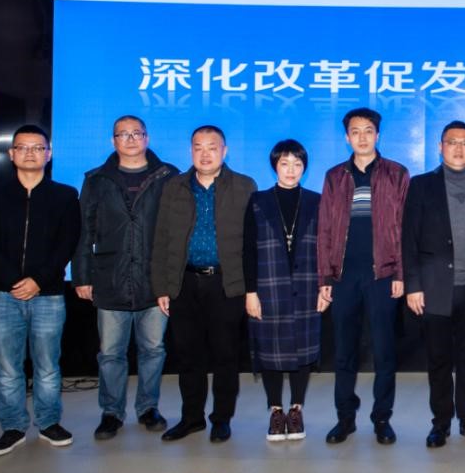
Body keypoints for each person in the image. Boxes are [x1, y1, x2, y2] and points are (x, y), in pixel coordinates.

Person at [0, 124, 80, 457]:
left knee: (47, 366)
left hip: (48, 294)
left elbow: (67, 244)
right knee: (8, 369)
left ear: (49, 154)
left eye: (38, 148)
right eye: (23, 147)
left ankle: (49, 423)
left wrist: (38, 280)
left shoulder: (65, 196)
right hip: (2, 295)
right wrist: (13, 281)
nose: (30, 153)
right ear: (11, 154)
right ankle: (13, 427)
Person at [74, 115, 177, 441]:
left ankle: (148, 407)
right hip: (110, 279)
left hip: (154, 281)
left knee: (153, 350)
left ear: (147, 138)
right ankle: (111, 412)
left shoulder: (168, 176)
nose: (130, 139)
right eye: (123, 134)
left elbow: (177, 232)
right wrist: (81, 275)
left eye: (136, 133)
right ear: (113, 141)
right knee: (110, 354)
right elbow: (83, 231)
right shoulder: (97, 179)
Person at [152, 125, 256, 443]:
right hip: (184, 283)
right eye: (198, 147)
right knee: (188, 355)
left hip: (227, 283)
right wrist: (162, 287)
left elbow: (253, 242)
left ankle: (221, 419)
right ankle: (192, 418)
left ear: (224, 151)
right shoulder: (174, 186)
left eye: (212, 147)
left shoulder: (244, 186)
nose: (205, 153)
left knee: (225, 355)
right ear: (191, 151)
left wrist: (252, 288)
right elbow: (161, 238)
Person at [318, 108, 409, 445]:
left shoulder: (397, 173)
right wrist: (325, 278)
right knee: (344, 352)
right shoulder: (334, 176)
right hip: (344, 277)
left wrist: (401, 272)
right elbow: (325, 229)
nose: (362, 137)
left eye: (368, 130)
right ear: (347, 137)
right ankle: (345, 418)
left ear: (377, 135)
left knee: (385, 352)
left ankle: (382, 418)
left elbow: (405, 227)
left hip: (383, 275)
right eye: (355, 131)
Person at [402, 121, 465, 448]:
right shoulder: (420, 185)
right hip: (433, 288)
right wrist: (413, 285)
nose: (459, 148)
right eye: (452, 142)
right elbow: (408, 239)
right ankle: (440, 423)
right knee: (439, 361)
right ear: (440, 147)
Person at [243, 140, 325, 442]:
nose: (291, 170)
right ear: (274, 166)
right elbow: (248, 250)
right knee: (270, 352)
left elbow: (326, 248)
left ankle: (296, 409)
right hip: (269, 286)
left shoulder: (317, 201)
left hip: (307, 286)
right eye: (284, 163)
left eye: (297, 164)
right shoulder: (258, 201)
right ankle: (276, 411)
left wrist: (325, 286)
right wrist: (250, 292)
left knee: (303, 351)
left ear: (305, 167)